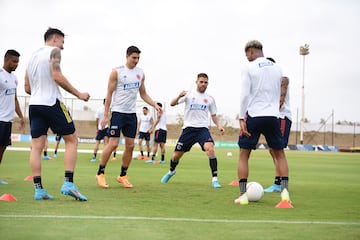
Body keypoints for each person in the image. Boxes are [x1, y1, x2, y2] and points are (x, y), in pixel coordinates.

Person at [24, 27, 90, 201]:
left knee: (37, 146)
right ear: (54, 39)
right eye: (62, 42)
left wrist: (39, 93)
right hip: (52, 102)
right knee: (72, 139)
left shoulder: (31, 56)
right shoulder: (53, 52)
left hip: (34, 105)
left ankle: (39, 190)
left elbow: (27, 87)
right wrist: (79, 94)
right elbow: (57, 76)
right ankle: (68, 183)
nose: (62, 47)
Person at [95, 45, 162, 189]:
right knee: (113, 144)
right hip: (118, 113)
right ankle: (100, 173)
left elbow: (143, 94)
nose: (136, 60)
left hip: (131, 114)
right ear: (127, 56)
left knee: (130, 146)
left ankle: (123, 175)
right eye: (134, 58)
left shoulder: (140, 73)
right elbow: (109, 94)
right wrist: (106, 115)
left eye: (138, 58)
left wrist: (155, 105)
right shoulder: (116, 72)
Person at [235, 40, 291, 206]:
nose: (247, 58)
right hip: (273, 116)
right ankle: (285, 195)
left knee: (244, 154)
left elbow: (244, 94)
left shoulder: (248, 67)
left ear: (251, 51)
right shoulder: (278, 68)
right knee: (279, 154)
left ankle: (243, 195)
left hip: (254, 115)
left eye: (247, 55)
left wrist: (241, 117)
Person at [160, 73, 224, 188]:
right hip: (188, 130)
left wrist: (219, 125)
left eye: (206, 82)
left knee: (210, 149)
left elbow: (214, 115)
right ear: (196, 82)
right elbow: (172, 104)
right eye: (201, 82)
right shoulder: (188, 95)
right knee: (176, 156)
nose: (204, 84)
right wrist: (179, 96)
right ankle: (171, 171)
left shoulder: (209, 99)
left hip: (202, 129)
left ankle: (215, 179)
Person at [0, 49, 25, 185]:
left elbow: (15, 99)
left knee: (2, 148)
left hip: (8, 120)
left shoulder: (14, 79)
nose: (16, 64)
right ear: (6, 60)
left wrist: (21, 116)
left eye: (18, 62)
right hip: (0, 119)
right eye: (14, 62)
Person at [264, 75, 292, 193]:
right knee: (272, 150)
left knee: (278, 150)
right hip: (275, 118)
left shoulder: (281, 80)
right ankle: (278, 182)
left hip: (282, 117)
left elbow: (280, 99)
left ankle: (279, 183)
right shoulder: (267, 85)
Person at [91, 99, 110, 163]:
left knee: (98, 143)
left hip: (101, 128)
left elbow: (97, 120)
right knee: (105, 144)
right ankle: (103, 158)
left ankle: (94, 157)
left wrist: (97, 128)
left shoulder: (99, 110)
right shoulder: (108, 110)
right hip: (106, 128)